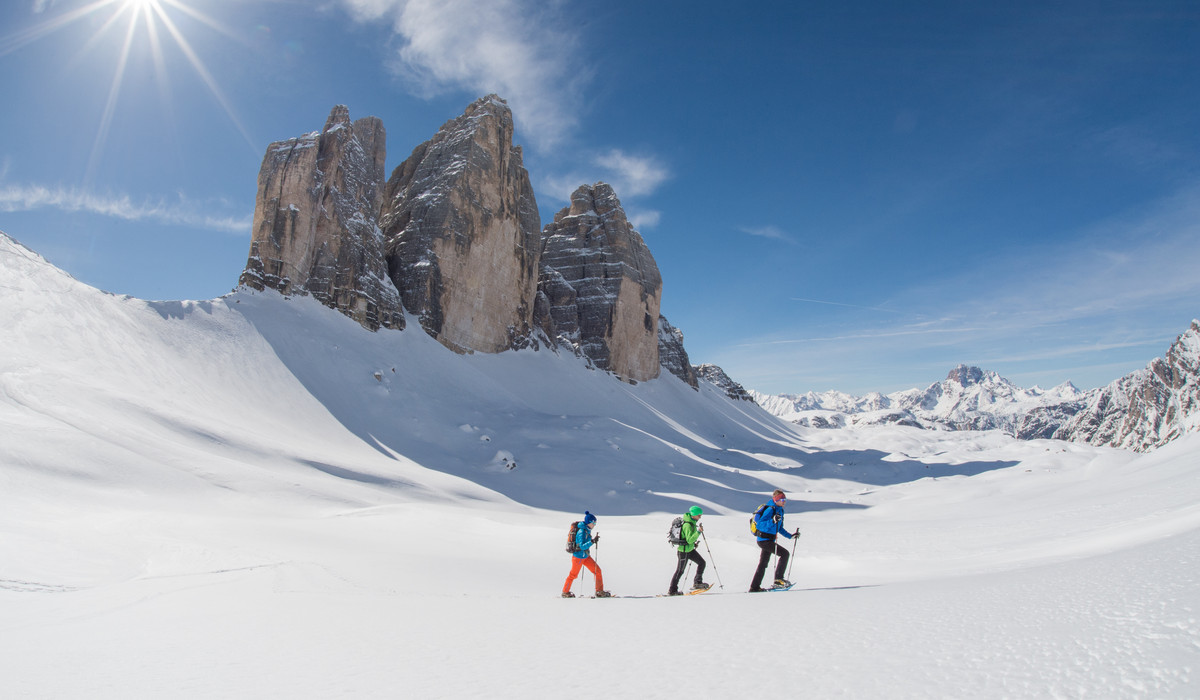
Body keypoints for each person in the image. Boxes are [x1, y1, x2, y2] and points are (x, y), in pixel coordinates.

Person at [749, 489, 800, 592]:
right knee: (784, 554)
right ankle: (778, 580)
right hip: (764, 540)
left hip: (769, 540)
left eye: (785, 499)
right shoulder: (770, 509)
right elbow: (760, 525)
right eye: (782, 499)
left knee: (763, 564)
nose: (784, 501)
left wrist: (790, 536)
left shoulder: (780, 510)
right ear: (776, 500)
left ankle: (754, 587)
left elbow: (779, 528)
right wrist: (772, 520)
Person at [563, 511, 612, 598]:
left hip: (585, 556)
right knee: (573, 575)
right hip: (578, 557)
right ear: (589, 522)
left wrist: (592, 541)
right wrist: (592, 541)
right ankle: (565, 592)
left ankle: (599, 591)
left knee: (597, 571)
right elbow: (582, 546)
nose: (594, 525)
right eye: (593, 523)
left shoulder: (586, 530)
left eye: (595, 523)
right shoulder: (582, 532)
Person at [668, 505, 710, 595]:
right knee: (680, 571)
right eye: (699, 515)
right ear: (694, 515)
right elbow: (689, 539)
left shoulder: (692, 522)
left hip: (689, 550)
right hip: (683, 552)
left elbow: (689, 540)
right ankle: (672, 590)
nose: (700, 517)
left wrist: (693, 543)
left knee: (702, 563)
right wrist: (698, 532)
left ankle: (697, 583)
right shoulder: (687, 524)